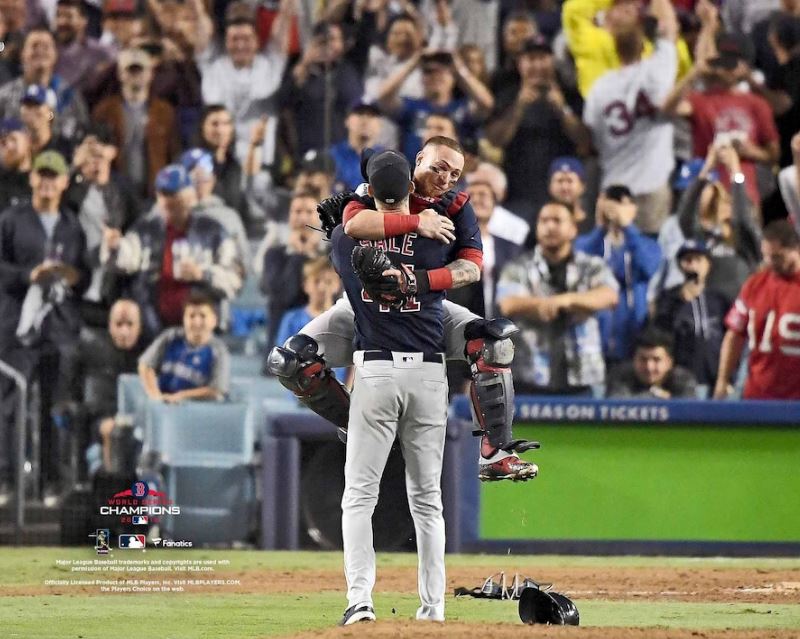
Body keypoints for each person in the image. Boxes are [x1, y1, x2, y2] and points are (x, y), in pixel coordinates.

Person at [268, 137, 539, 482]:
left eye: (455, 174)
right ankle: (357, 424)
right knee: (291, 361)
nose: (445, 179)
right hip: (360, 309)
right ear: (419, 160)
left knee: (494, 344)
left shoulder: (456, 205)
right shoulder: (382, 184)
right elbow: (352, 223)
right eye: (439, 167)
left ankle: (495, 452)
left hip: (424, 308)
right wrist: (416, 223)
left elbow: (471, 268)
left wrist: (418, 282)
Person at [330, 150, 450, 625]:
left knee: (360, 495)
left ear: (370, 191)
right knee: (427, 500)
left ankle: (360, 601)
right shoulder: (438, 235)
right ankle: (433, 608)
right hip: (428, 372)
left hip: (376, 371)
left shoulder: (345, 239)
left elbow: (352, 227)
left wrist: (359, 203)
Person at [0, 151, 89, 501]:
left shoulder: (72, 225)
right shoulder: (11, 220)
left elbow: (83, 277)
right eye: (43, 175)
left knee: (54, 407)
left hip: (57, 327)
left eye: (55, 176)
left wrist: (71, 277)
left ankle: (52, 482)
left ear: (65, 181)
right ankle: (5, 480)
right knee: (8, 405)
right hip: (15, 327)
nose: (48, 182)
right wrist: (27, 275)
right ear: (33, 178)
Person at [101, 164, 242, 339]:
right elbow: (126, 260)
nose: (168, 202)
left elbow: (235, 279)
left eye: (175, 198)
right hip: (153, 326)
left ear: (190, 197)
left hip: (201, 331)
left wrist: (202, 274)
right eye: (163, 196)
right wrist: (114, 246)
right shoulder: (147, 229)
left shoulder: (213, 231)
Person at [496, 201, 619, 395]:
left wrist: (566, 300)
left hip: (582, 376)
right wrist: (542, 304)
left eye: (557, 220)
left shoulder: (591, 266)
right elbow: (508, 303)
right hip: (531, 376)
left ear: (572, 229)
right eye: (544, 221)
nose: (550, 226)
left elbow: (609, 295)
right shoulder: (518, 267)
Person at [582, 0, 679, 235]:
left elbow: (589, 137)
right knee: (651, 258)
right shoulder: (657, 69)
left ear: (615, 48)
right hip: (651, 185)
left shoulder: (600, 87)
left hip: (614, 187)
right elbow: (670, 31)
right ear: (642, 44)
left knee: (613, 261)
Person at [662, 29, 780, 208]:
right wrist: (695, 72)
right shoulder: (700, 99)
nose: (728, 68)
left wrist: (749, 151)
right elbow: (667, 108)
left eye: (733, 62)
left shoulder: (756, 103)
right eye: (724, 61)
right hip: (706, 188)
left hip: (743, 186)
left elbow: (773, 154)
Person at [485, 39, 589, 221]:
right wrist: (519, 106)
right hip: (517, 195)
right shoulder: (508, 94)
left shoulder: (570, 93)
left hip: (561, 195)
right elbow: (495, 140)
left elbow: (585, 141)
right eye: (531, 59)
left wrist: (562, 108)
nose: (538, 65)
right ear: (520, 63)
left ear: (552, 61)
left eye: (543, 58)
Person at [714, 220, 800, 400]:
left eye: (777, 257)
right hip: (758, 395)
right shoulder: (755, 285)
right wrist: (722, 380)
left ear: (795, 249)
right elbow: (734, 335)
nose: (770, 263)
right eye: (766, 256)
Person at [64, 124, 140, 326]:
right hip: (77, 281)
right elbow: (53, 201)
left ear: (111, 153)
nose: (95, 161)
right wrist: (73, 166)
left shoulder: (124, 191)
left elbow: (138, 227)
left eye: (99, 154)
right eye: (89, 155)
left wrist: (122, 244)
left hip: (115, 282)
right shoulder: (72, 190)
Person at [575, 185, 661, 362]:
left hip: (634, 339)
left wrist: (628, 227)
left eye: (624, 204)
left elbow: (649, 267)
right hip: (594, 340)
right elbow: (580, 265)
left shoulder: (648, 243)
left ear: (634, 209)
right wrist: (601, 228)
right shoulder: (588, 243)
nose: (616, 209)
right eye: (612, 202)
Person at [200, 9, 289, 167]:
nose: (240, 45)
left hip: (261, 161)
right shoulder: (213, 68)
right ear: (225, 42)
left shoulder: (269, 66)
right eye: (234, 39)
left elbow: (284, 19)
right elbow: (198, 20)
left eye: (247, 39)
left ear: (257, 41)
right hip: (221, 164)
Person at [93, 47, 180, 199]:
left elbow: (173, 152)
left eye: (140, 70)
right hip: (116, 192)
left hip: (154, 191)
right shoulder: (105, 111)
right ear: (120, 74)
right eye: (130, 70)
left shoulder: (164, 112)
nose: (136, 75)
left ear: (150, 74)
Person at [377, 49, 493, 160]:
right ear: (422, 78)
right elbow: (383, 97)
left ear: (453, 78)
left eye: (442, 72)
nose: (436, 77)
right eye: (429, 72)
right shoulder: (412, 107)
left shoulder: (461, 108)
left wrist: (458, 67)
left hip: (450, 173)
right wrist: (414, 62)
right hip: (413, 173)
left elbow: (486, 104)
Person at [71, 298, 144, 474]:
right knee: (112, 430)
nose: (124, 331)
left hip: (142, 421)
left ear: (140, 327)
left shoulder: (150, 355)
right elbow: (80, 395)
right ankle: (110, 486)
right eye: (118, 324)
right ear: (110, 326)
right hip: (102, 419)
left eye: (130, 324)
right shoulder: (93, 351)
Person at [562, 0, 692, 97]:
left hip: (647, 119)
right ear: (607, 11)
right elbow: (573, 10)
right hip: (606, 117)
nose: (630, 7)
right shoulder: (591, 39)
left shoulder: (649, 48)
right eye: (622, 3)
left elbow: (678, 59)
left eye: (634, 4)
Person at [653, 240, 730, 389]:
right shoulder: (668, 298)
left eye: (698, 260)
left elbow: (731, 337)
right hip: (681, 378)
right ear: (680, 265)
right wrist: (679, 303)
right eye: (688, 260)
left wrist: (729, 377)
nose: (693, 265)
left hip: (716, 377)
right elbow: (660, 335)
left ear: (708, 265)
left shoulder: (719, 299)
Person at [261, 190, 326, 349]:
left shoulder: (330, 255)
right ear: (289, 216)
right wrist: (297, 257)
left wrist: (312, 255)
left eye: (309, 212)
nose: (302, 218)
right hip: (280, 346)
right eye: (297, 211)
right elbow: (281, 296)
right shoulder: (274, 254)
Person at [0, 27, 90, 143]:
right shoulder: (4, 96)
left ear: (55, 54)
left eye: (46, 46)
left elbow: (82, 134)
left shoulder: (70, 96)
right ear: (22, 54)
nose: (40, 51)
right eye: (34, 46)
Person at [138, 292, 230, 402]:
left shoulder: (219, 351)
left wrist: (180, 397)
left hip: (193, 411)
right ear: (184, 319)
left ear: (214, 320)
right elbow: (146, 365)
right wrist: (155, 396)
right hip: (160, 403)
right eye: (191, 316)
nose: (196, 322)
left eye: (202, 316)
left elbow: (216, 390)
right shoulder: (170, 336)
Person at [606, 328, 697, 399]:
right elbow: (618, 405)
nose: (649, 367)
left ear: (669, 363)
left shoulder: (683, 379)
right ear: (634, 360)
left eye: (656, 360)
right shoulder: (620, 376)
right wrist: (657, 396)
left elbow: (690, 409)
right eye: (643, 359)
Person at [53, 0, 115, 93]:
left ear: (84, 20)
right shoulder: (48, 51)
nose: (62, 22)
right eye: (58, 16)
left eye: (69, 16)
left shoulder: (101, 52)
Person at [330, 102, 383, 191]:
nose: (365, 120)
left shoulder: (386, 159)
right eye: (360, 114)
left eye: (371, 115)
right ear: (347, 120)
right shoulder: (331, 155)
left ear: (380, 124)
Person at [547, 156, 591, 233]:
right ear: (550, 186)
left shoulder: (593, 227)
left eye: (570, 181)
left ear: (582, 186)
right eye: (559, 181)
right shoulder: (541, 225)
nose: (564, 187)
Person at [0, 118, 32, 210]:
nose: (9, 146)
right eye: (3, 142)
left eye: (13, 139)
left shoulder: (43, 177)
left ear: (27, 140)